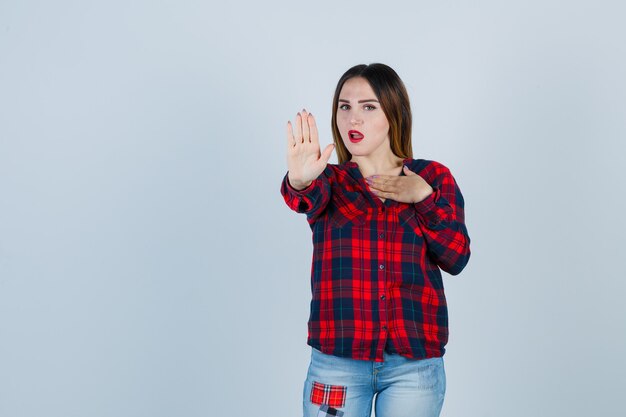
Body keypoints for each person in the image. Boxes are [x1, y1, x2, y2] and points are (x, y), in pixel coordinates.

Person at [280, 63, 471, 417]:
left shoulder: (433, 177)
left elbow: (457, 257)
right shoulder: (329, 181)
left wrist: (423, 197)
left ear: (393, 112)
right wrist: (300, 180)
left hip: (413, 366)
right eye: (345, 106)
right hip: (337, 363)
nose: (354, 119)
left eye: (368, 107)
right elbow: (303, 197)